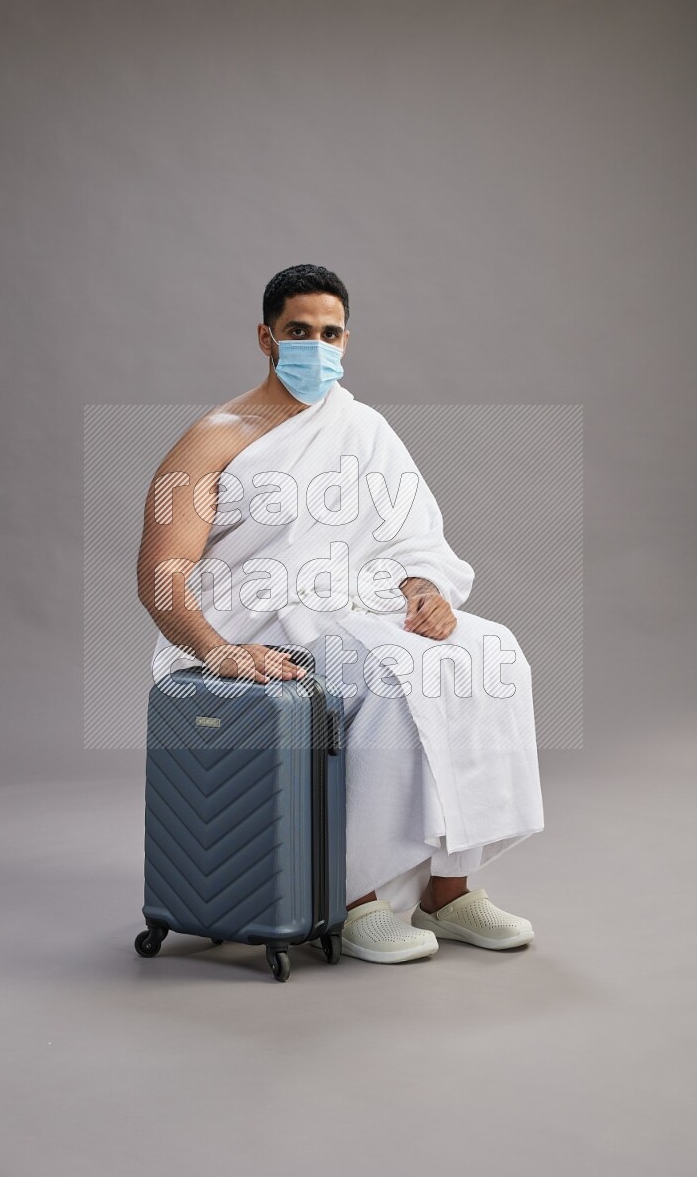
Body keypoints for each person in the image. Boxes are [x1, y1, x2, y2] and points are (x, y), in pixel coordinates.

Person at [137, 263, 544, 965]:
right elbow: (160, 574)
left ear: (347, 340)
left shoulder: (363, 427)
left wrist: (424, 590)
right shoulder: (212, 438)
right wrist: (214, 649)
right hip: (254, 621)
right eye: (299, 331)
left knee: (491, 654)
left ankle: (448, 891)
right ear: (266, 337)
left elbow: (414, 534)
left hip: (356, 607)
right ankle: (353, 898)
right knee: (385, 678)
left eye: (331, 333)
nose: (316, 346)